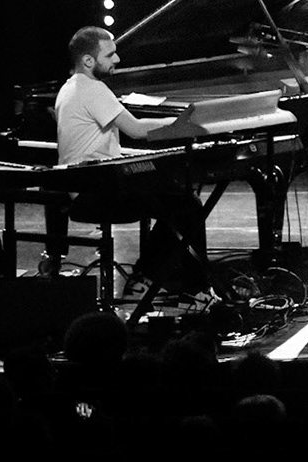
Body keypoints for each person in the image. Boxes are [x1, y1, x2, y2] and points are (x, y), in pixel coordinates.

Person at [52, 26, 209, 288]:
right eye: (110, 55)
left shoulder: (70, 87)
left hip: (84, 186)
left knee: (177, 199)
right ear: (88, 61)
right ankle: (178, 281)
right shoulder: (92, 89)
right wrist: (184, 122)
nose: (117, 59)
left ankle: (154, 274)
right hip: (93, 193)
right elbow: (135, 130)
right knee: (186, 204)